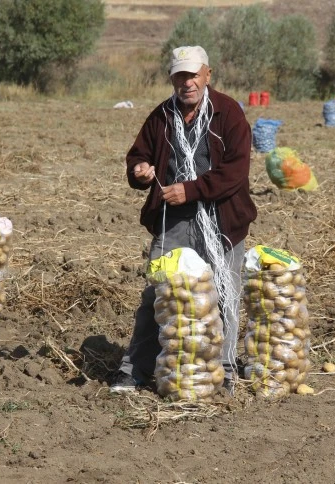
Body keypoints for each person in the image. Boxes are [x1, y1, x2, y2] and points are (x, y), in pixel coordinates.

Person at [110, 46, 257, 394]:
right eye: (180, 75)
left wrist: (190, 190)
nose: (187, 82)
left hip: (222, 221)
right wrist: (140, 171)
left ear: (208, 74)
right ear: (172, 79)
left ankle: (222, 369)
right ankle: (134, 370)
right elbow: (139, 155)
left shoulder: (229, 113)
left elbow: (235, 172)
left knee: (223, 292)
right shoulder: (162, 115)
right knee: (158, 294)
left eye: (193, 75)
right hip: (172, 220)